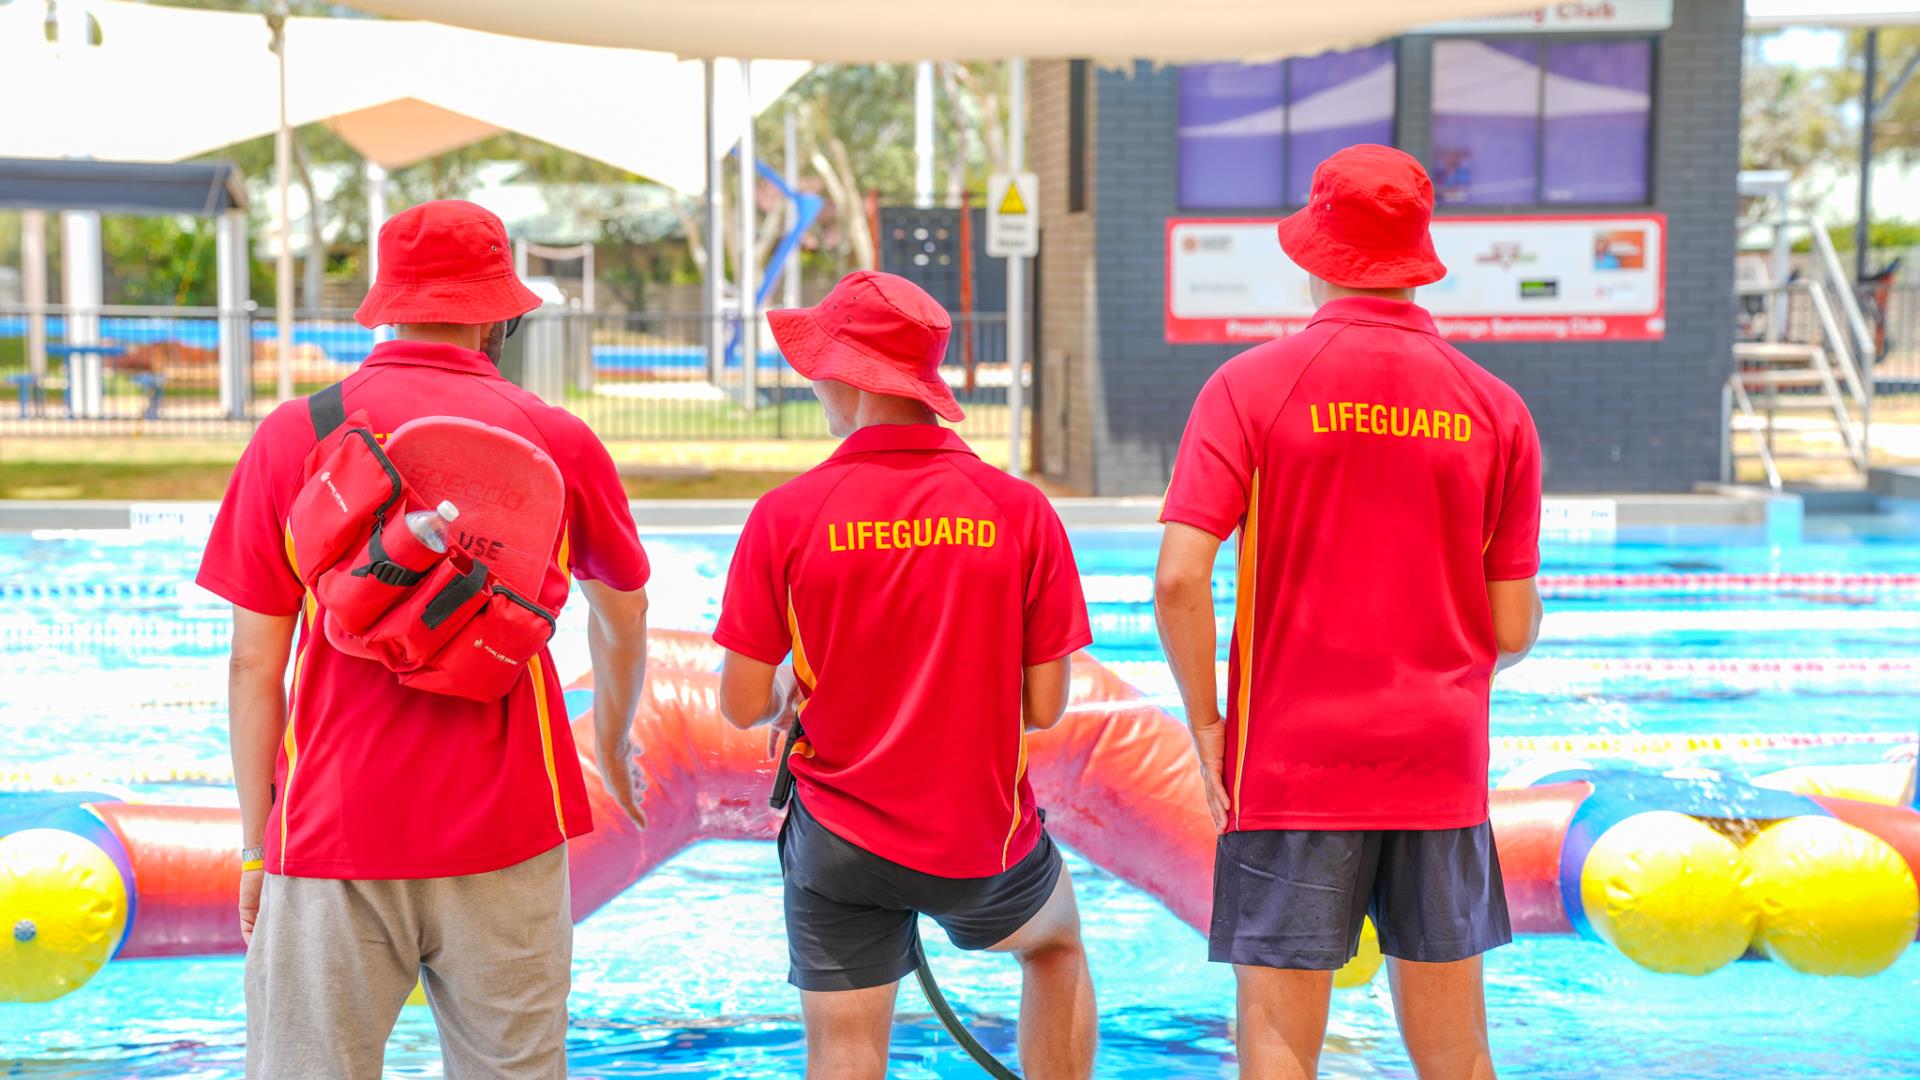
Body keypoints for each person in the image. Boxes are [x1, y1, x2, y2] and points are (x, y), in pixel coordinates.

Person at [198, 199, 652, 1079]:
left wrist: (259, 847)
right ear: (499, 311)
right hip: (509, 827)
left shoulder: (299, 432)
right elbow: (623, 611)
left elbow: (256, 661)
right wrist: (614, 735)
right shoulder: (557, 438)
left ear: (388, 301)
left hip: (332, 832)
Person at [1153, 145, 1544, 1080]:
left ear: (1314, 253)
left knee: (1284, 1039)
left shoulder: (1248, 387)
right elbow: (1512, 630)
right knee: (1455, 1048)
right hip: (1439, 766)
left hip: (1290, 764)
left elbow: (1177, 579)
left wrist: (1207, 721)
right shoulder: (1496, 409)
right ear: (1419, 253)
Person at [713, 270, 1099, 1080]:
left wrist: (789, 687)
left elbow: (742, 705)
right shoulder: (1020, 511)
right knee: (1056, 944)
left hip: (841, 839)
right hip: (979, 837)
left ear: (848, 378)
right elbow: (1046, 705)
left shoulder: (787, 514)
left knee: (847, 1051)